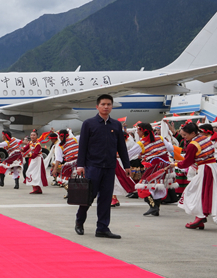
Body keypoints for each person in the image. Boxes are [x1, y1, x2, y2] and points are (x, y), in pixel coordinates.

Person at [74, 94, 130, 238]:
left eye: (109, 104)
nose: (106, 107)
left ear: (112, 106)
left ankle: (102, 228)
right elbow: (82, 146)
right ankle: (79, 221)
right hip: (93, 166)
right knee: (88, 196)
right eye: (103, 104)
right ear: (97, 106)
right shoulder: (89, 123)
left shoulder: (116, 125)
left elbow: (121, 147)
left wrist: (127, 165)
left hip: (109, 167)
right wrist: (80, 165)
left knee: (105, 198)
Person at [134, 122, 174, 217]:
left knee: (143, 186)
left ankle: (153, 207)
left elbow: (129, 154)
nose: (137, 132)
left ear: (142, 131)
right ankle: (156, 209)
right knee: (158, 187)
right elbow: (171, 148)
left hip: (153, 167)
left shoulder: (141, 143)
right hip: (165, 166)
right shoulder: (160, 138)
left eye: (138, 130)